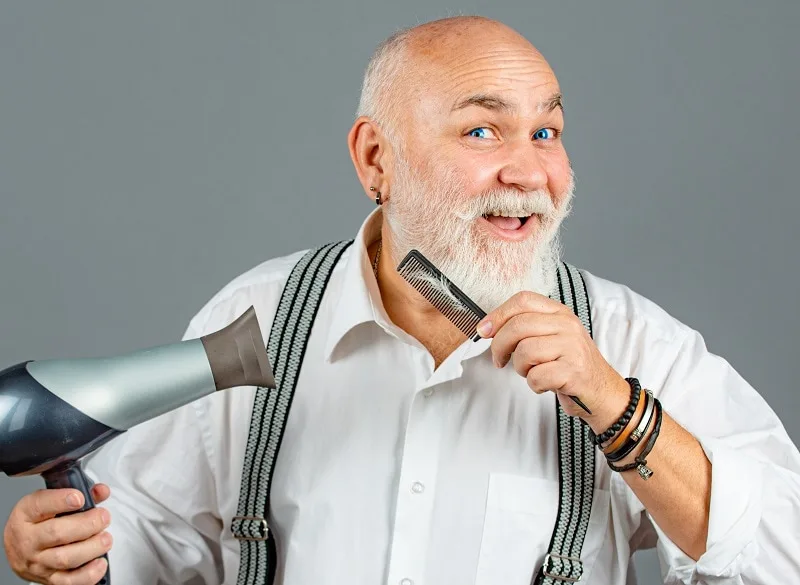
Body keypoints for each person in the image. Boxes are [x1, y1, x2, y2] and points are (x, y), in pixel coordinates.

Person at [4, 15, 800, 585]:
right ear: (376, 158)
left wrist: (615, 405)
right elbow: (153, 539)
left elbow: (780, 556)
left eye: (547, 133)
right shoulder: (255, 318)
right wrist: (74, 553)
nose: (530, 172)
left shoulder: (630, 342)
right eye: (483, 133)